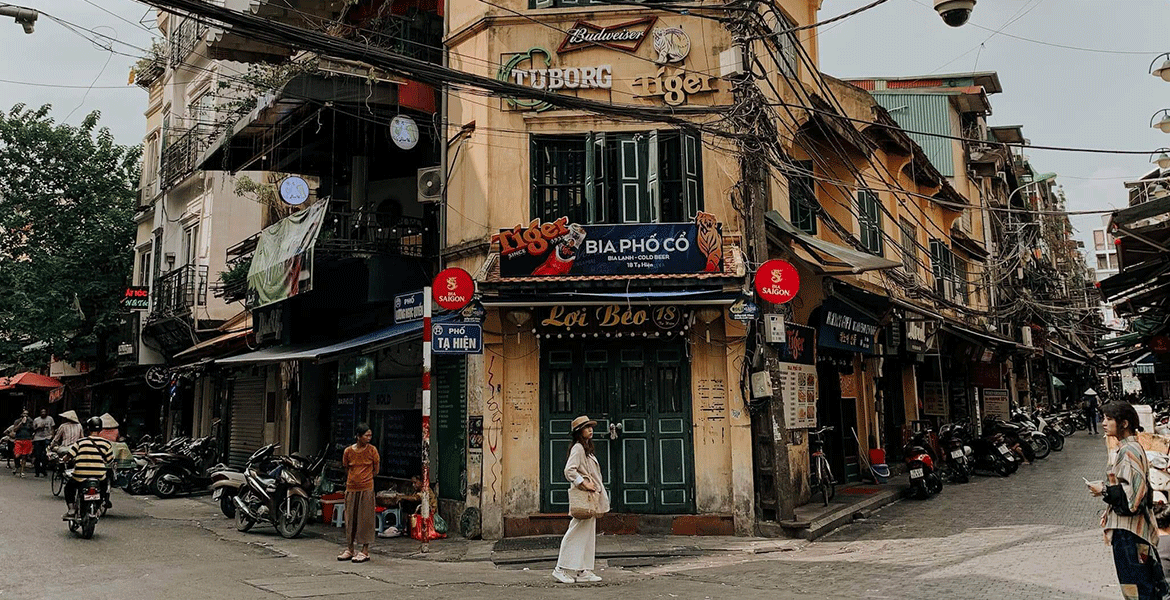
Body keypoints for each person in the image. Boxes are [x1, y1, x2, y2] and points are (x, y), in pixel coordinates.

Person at [1088, 401, 1167, 600]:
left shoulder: (1128, 451)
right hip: (1134, 532)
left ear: (1123, 423)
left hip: (1129, 533)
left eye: (1109, 419)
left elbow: (1134, 497)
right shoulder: (1131, 447)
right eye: (1103, 418)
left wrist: (1104, 490)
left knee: (1137, 590)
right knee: (1145, 586)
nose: (1103, 423)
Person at [553, 415, 610, 584]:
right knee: (576, 531)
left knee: (587, 533)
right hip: (584, 496)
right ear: (579, 432)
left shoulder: (586, 449)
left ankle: (582, 570)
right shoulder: (578, 448)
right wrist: (584, 483)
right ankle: (560, 568)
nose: (590, 430)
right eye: (586, 427)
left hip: (590, 498)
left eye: (591, 427)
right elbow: (569, 471)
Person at [339, 423, 380, 564]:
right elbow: (346, 468)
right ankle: (350, 548)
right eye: (366, 435)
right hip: (351, 488)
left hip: (366, 488)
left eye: (370, 435)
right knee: (350, 519)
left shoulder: (372, 450)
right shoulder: (348, 451)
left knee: (365, 519)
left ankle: (364, 550)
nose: (369, 438)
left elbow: (376, 470)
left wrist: (365, 479)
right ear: (358, 436)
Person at [62, 417, 113, 519]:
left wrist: (64, 459)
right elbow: (110, 460)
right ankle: (99, 507)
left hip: (80, 475)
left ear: (88, 429)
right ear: (101, 429)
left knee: (68, 488)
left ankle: (71, 509)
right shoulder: (106, 444)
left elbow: (69, 455)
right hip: (99, 476)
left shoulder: (81, 442)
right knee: (103, 488)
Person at [9, 410, 33, 478]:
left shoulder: (30, 421)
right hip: (19, 440)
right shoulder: (17, 421)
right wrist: (21, 423)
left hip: (27, 439)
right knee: (17, 455)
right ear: (21, 414)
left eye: (27, 414)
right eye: (24, 414)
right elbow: (15, 429)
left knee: (24, 456)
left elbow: (32, 429)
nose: (25, 415)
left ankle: (22, 471)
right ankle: (16, 466)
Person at [32, 409, 54, 478]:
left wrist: (52, 436)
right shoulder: (36, 420)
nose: (43, 413)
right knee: (37, 455)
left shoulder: (50, 419)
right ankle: (37, 471)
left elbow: (52, 428)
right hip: (38, 438)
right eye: (42, 412)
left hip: (47, 437)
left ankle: (44, 470)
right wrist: (38, 427)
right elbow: (33, 429)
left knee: (45, 455)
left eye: (44, 412)